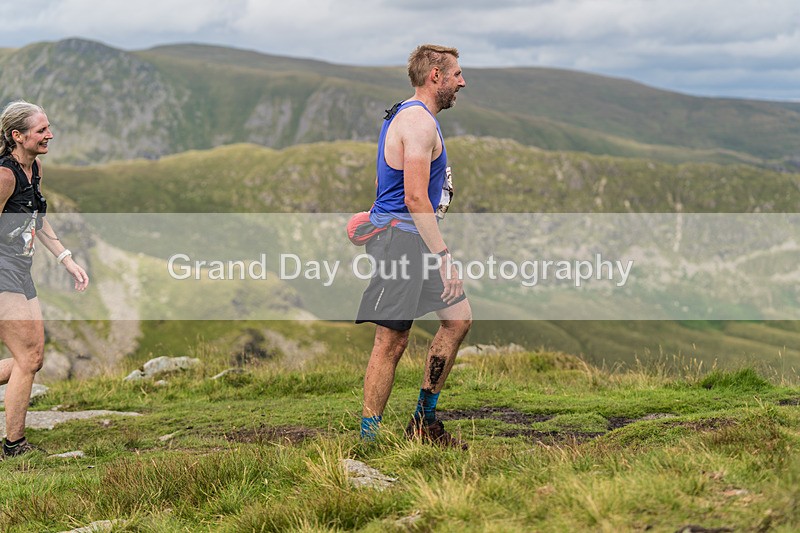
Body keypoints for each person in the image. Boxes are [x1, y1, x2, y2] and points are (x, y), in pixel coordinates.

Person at [356, 44, 471, 449]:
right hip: (402, 242)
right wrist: (444, 259)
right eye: (456, 73)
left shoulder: (403, 115)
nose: (462, 81)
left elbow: (380, 184)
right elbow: (415, 198)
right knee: (392, 340)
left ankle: (424, 420)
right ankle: (367, 443)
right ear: (435, 75)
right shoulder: (418, 123)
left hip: (410, 237)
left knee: (457, 318)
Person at [0, 100, 89, 457]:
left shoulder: (34, 168)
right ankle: (14, 444)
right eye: (41, 130)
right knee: (27, 357)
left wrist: (66, 258)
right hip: (1, 272)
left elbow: (36, 218)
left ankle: (14, 442)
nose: (49, 134)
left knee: (33, 357)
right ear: (17, 136)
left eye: (48, 127)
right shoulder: (5, 176)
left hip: (21, 271)